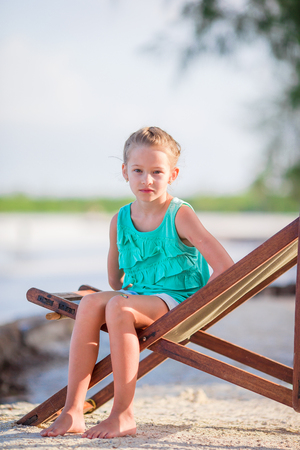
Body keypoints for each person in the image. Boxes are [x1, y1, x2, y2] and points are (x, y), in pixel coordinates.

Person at [41, 126, 234, 440]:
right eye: (138, 171)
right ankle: (73, 410)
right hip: (137, 295)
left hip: (177, 299)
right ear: (125, 172)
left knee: (118, 305)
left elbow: (225, 266)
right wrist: (117, 274)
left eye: (157, 172)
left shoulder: (180, 215)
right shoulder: (120, 219)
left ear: (172, 175)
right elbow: (115, 280)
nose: (147, 180)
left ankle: (123, 414)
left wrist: (198, 309)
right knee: (91, 302)